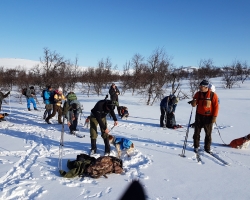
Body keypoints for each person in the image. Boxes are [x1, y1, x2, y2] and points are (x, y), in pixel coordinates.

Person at [189, 80, 219, 153]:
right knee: (196, 132)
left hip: (208, 117)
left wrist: (214, 116)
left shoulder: (213, 95)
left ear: (206, 87)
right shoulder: (198, 94)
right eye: (200, 86)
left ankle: (207, 148)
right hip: (199, 116)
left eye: (201, 86)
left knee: (208, 133)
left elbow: (216, 107)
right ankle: (196, 146)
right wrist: (193, 103)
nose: (200, 87)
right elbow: (195, 102)